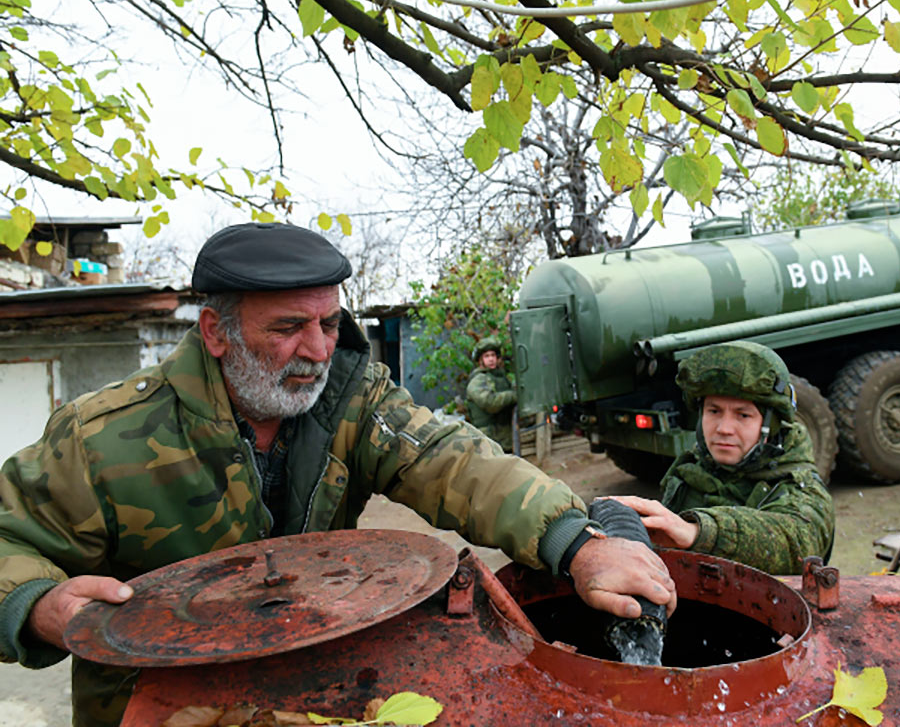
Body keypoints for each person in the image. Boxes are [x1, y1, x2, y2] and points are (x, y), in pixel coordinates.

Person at [0, 222, 675, 727]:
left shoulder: (353, 397)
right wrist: (36, 606)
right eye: (289, 327)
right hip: (159, 710)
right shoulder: (102, 437)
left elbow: (453, 460)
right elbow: (9, 540)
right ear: (214, 332)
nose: (319, 349)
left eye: (329, 322)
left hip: (316, 700)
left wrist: (576, 541)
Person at [607, 341, 834, 575]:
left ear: (771, 425)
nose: (724, 428)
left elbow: (796, 541)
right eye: (714, 411)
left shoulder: (800, 488)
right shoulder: (692, 469)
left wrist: (697, 532)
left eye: (743, 415)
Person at [465, 336, 518, 452]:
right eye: (487, 356)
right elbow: (490, 403)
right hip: (488, 440)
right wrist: (514, 396)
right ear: (480, 360)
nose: (491, 359)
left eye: (493, 355)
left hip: (505, 437)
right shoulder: (478, 380)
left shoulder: (501, 377)